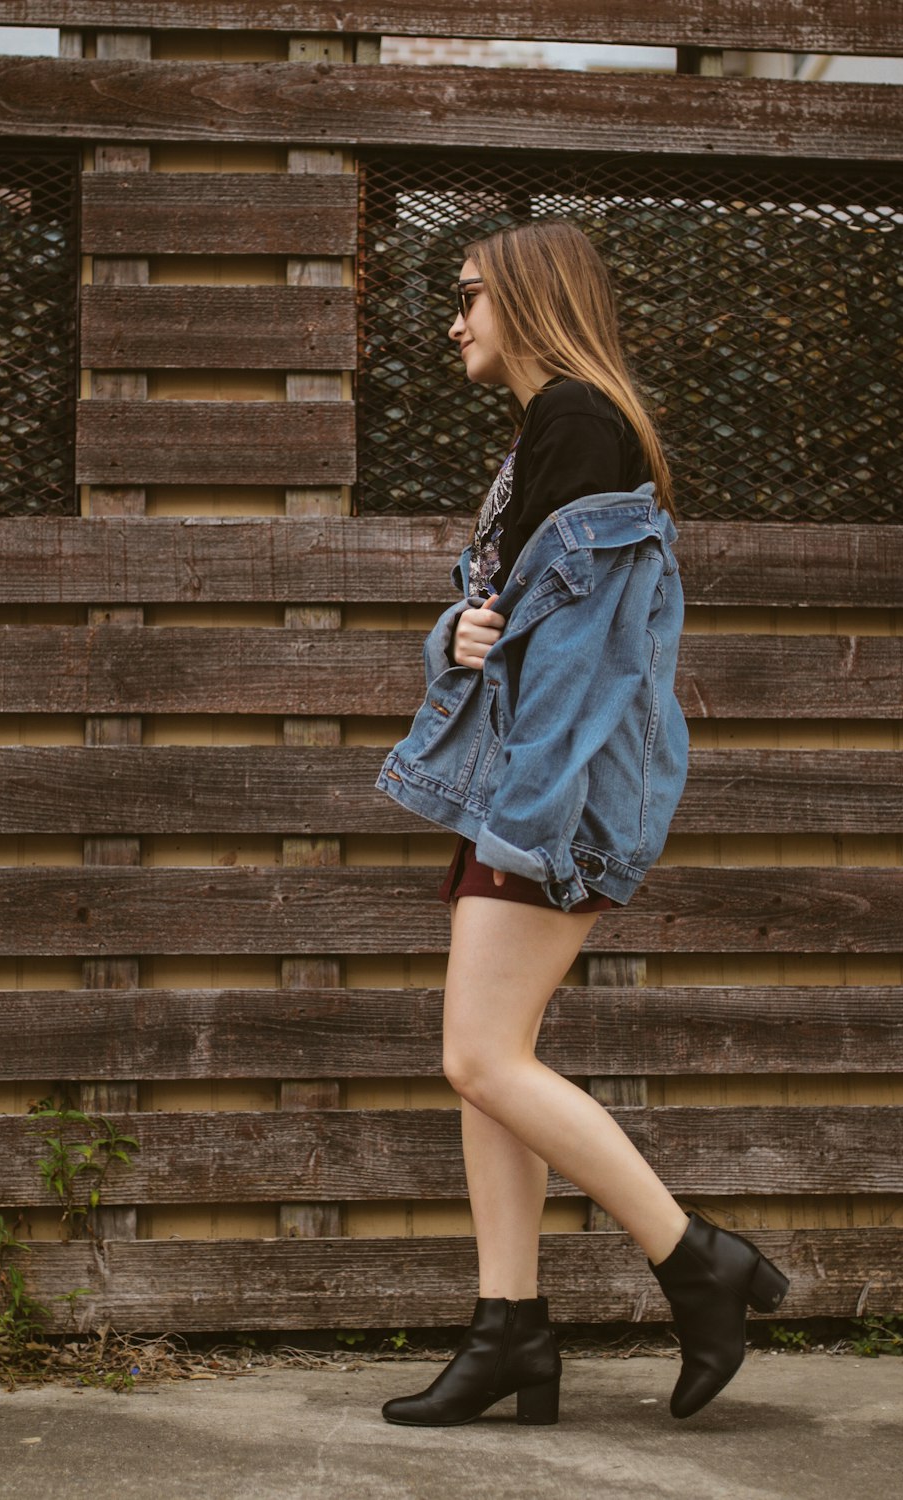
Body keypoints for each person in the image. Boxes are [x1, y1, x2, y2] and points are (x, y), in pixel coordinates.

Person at [375, 219, 789, 1427]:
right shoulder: (550, 433)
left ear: (526, 300)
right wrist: (446, 635)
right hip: (527, 786)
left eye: (467, 298)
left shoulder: (576, 422)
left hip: (546, 797)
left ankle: (696, 1261)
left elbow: (588, 666)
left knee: (478, 1056)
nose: (454, 321)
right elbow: (502, 628)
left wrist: (525, 825)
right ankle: (510, 1331)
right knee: (486, 1074)